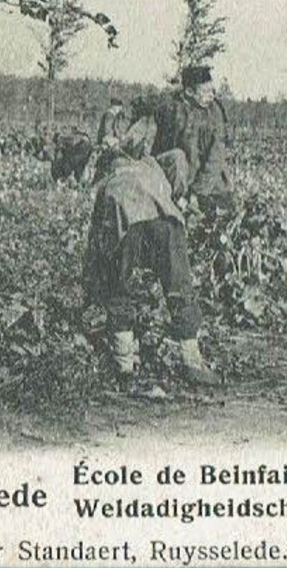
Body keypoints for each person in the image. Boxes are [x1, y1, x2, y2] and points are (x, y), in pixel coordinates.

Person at [84, 131, 218, 387]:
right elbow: (179, 162)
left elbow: (96, 242)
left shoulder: (109, 181)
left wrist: (91, 281)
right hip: (166, 220)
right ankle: (191, 360)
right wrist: (176, 198)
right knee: (179, 286)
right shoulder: (153, 164)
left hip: (126, 219)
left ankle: (124, 364)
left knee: (119, 283)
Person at [153, 65, 233, 208]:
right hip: (177, 183)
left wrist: (197, 193)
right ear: (189, 92)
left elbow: (216, 155)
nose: (211, 95)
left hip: (208, 186)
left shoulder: (214, 112)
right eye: (205, 91)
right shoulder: (171, 108)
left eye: (212, 90)